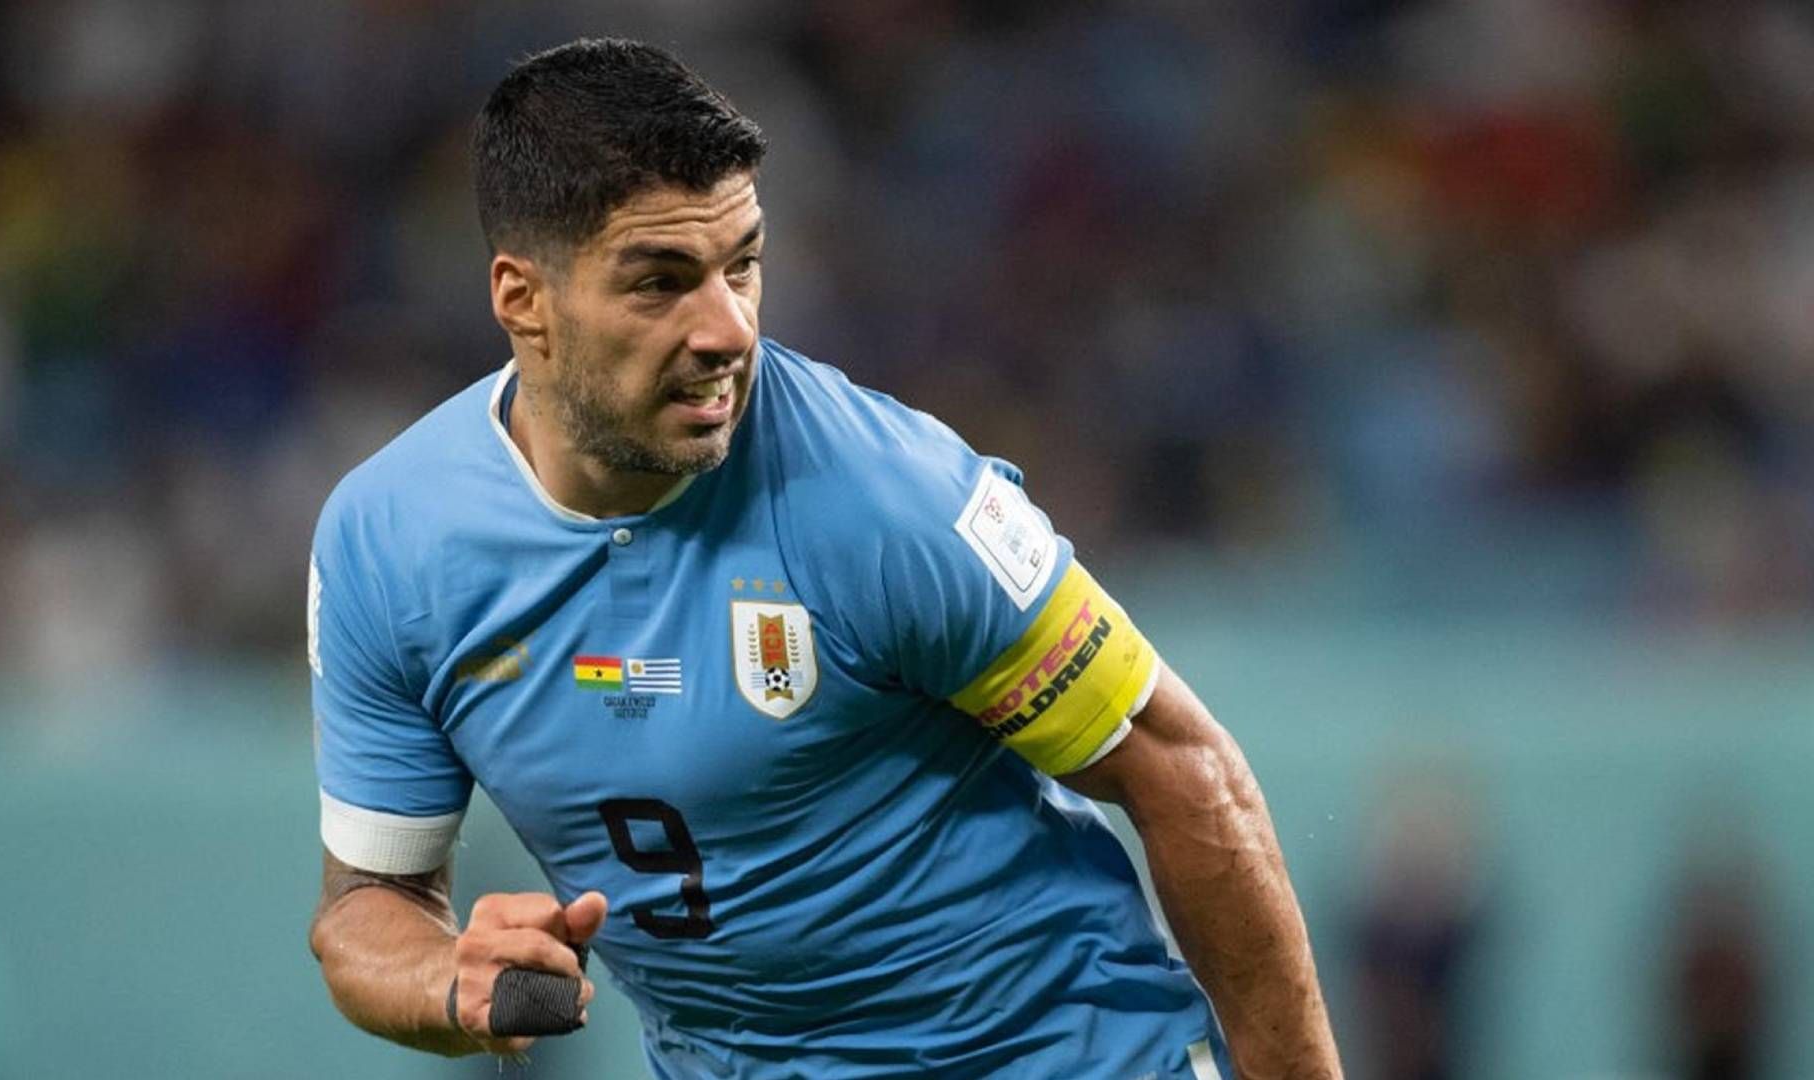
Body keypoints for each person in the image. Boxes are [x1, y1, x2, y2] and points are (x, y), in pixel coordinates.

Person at [307, 37, 1340, 1079]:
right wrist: (447, 980)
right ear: (522, 298)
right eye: (660, 282)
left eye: (742, 265)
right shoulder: (391, 547)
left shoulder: (886, 498)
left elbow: (1183, 772)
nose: (727, 329)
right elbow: (368, 906)